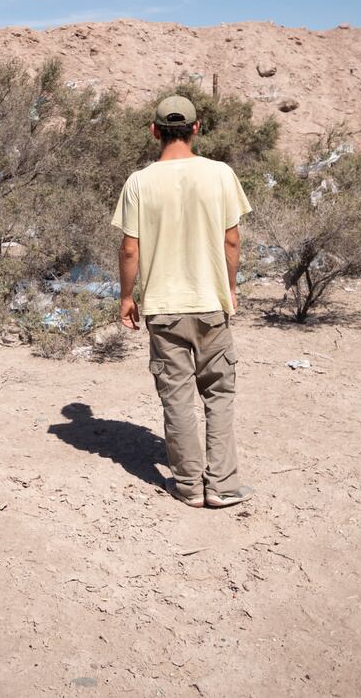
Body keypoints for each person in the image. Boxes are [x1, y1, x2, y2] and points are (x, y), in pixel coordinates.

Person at [111, 95, 254, 508]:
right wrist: (230, 287)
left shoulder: (139, 181)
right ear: (196, 128)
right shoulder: (221, 174)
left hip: (163, 307)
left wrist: (125, 296)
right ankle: (222, 485)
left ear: (154, 130)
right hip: (210, 302)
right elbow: (231, 238)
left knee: (176, 395)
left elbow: (129, 250)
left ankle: (189, 486)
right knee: (218, 394)